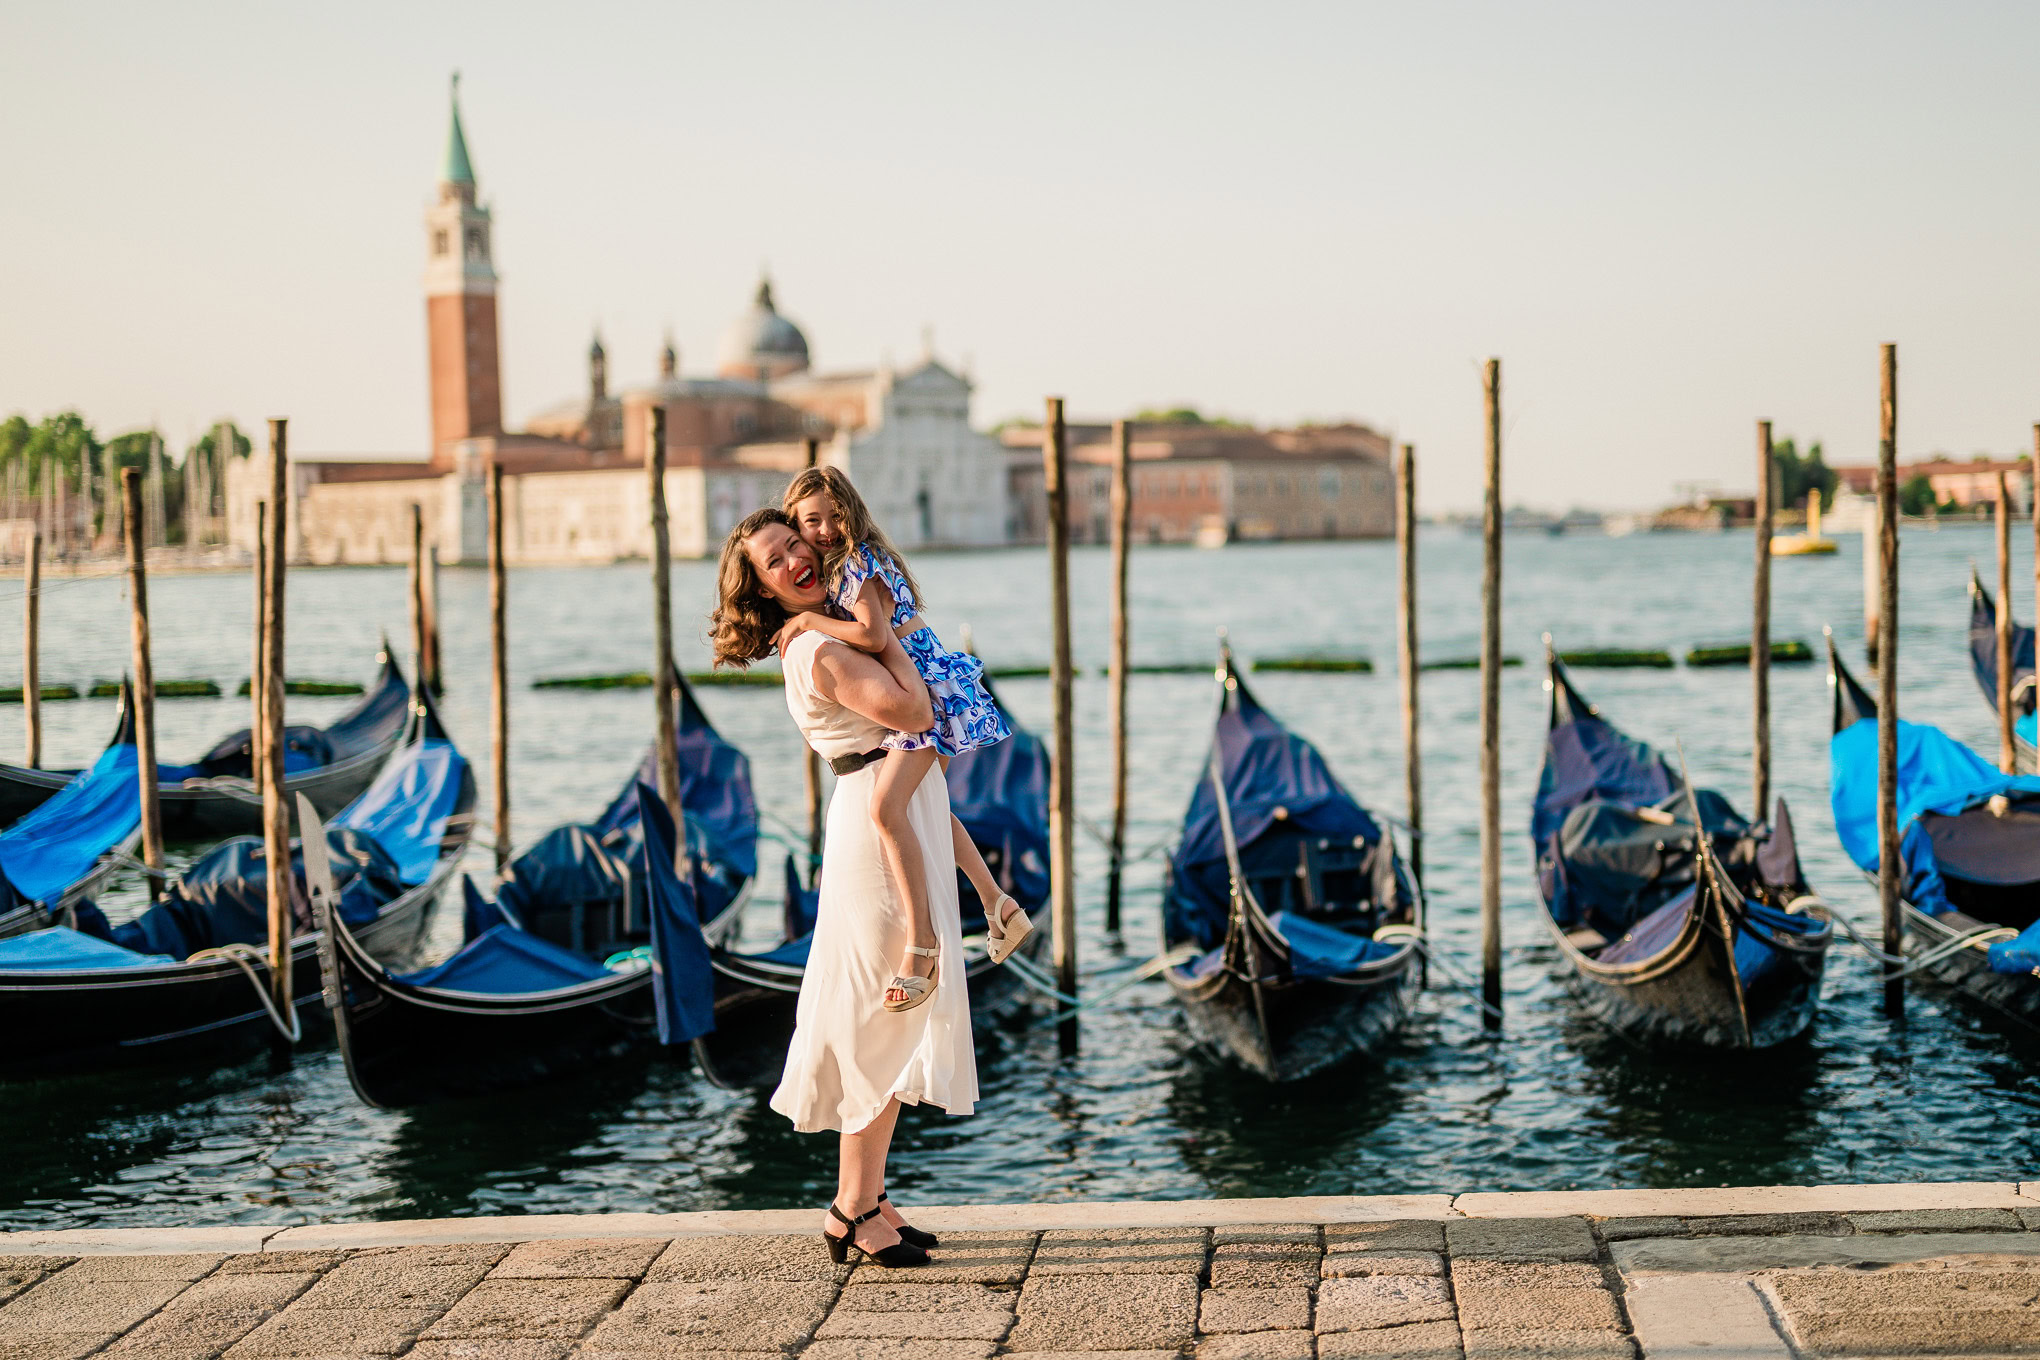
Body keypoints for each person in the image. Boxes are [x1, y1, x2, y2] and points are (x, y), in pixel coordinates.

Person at [709, 507, 965, 1268]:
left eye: (796, 544)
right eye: (773, 561)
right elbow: (915, 711)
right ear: (762, 591)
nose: (794, 560)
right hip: (871, 830)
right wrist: (896, 641)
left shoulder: (832, 626)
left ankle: (872, 1196)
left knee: (888, 1012)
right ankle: (851, 1209)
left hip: (889, 810)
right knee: (879, 1014)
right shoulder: (821, 646)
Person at [777, 466, 1033, 1013]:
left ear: (851, 510)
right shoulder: (853, 565)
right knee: (929, 809)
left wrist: (806, 624)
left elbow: (872, 634)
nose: (822, 530)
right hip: (925, 684)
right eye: (809, 522)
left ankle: (923, 946)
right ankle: (999, 906)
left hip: (928, 693)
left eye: (830, 516)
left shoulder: (859, 562)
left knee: (887, 810)